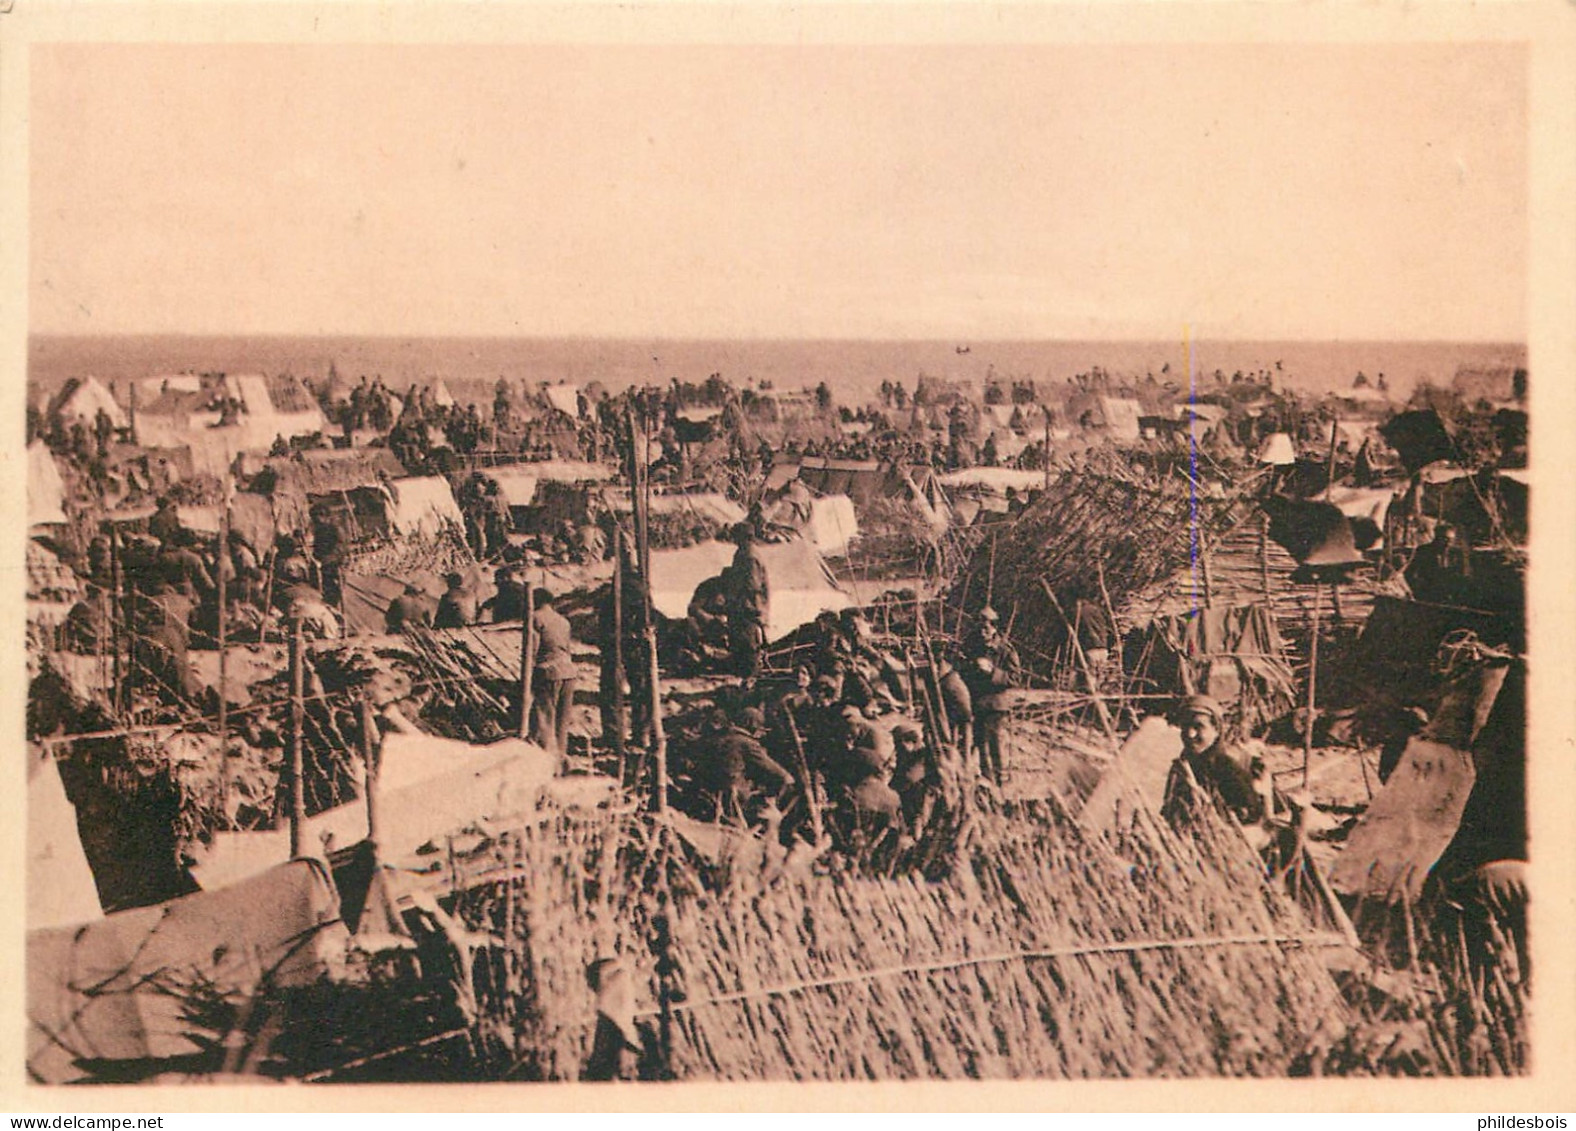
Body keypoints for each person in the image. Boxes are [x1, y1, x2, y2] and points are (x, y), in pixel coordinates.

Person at [1162, 695, 1266, 828]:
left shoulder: (1227, 769)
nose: (1190, 734)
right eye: (1186, 726)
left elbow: (1251, 817)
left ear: (1216, 729)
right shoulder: (1181, 767)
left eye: (1198, 726)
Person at [959, 607, 1021, 785]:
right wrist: (972, 666)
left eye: (986, 628)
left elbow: (1015, 678)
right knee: (980, 743)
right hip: (977, 702)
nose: (982, 632)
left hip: (996, 705)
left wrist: (992, 671)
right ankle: (988, 779)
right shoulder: (972, 645)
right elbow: (961, 668)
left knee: (996, 744)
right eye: (980, 628)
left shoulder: (1005, 649)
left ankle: (1001, 780)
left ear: (994, 627)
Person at [528, 588, 578, 762]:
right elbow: (567, 648)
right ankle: (561, 757)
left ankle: (545, 759)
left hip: (548, 672)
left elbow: (531, 650)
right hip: (569, 671)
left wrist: (528, 676)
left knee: (545, 718)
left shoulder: (535, 618)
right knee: (562, 722)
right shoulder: (564, 621)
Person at [723, 524, 770, 679]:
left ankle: (749, 676)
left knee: (748, 643)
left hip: (748, 607)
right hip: (745, 605)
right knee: (741, 641)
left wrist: (735, 596)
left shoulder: (750, 555)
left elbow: (752, 584)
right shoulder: (745, 552)